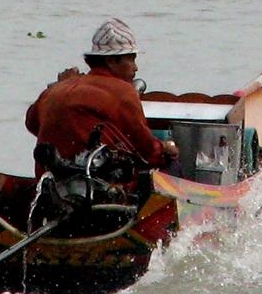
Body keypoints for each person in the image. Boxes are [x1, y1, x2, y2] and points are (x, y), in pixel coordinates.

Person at [25, 18, 178, 177]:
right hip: (101, 183)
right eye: (131, 59)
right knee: (171, 165)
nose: (136, 67)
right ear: (111, 61)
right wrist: (165, 149)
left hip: (51, 180)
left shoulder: (55, 90)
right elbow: (148, 151)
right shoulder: (123, 92)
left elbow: (32, 124)